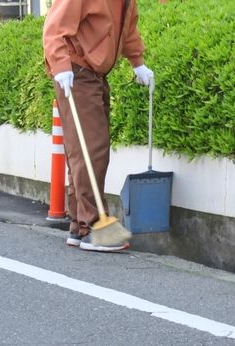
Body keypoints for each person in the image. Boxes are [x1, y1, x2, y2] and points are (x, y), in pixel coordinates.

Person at [43, 0, 154, 252]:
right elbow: (54, 28)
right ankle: (94, 226)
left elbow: (128, 28)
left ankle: (79, 225)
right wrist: (61, 65)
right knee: (90, 150)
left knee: (84, 150)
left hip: (92, 74)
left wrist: (138, 62)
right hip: (77, 71)